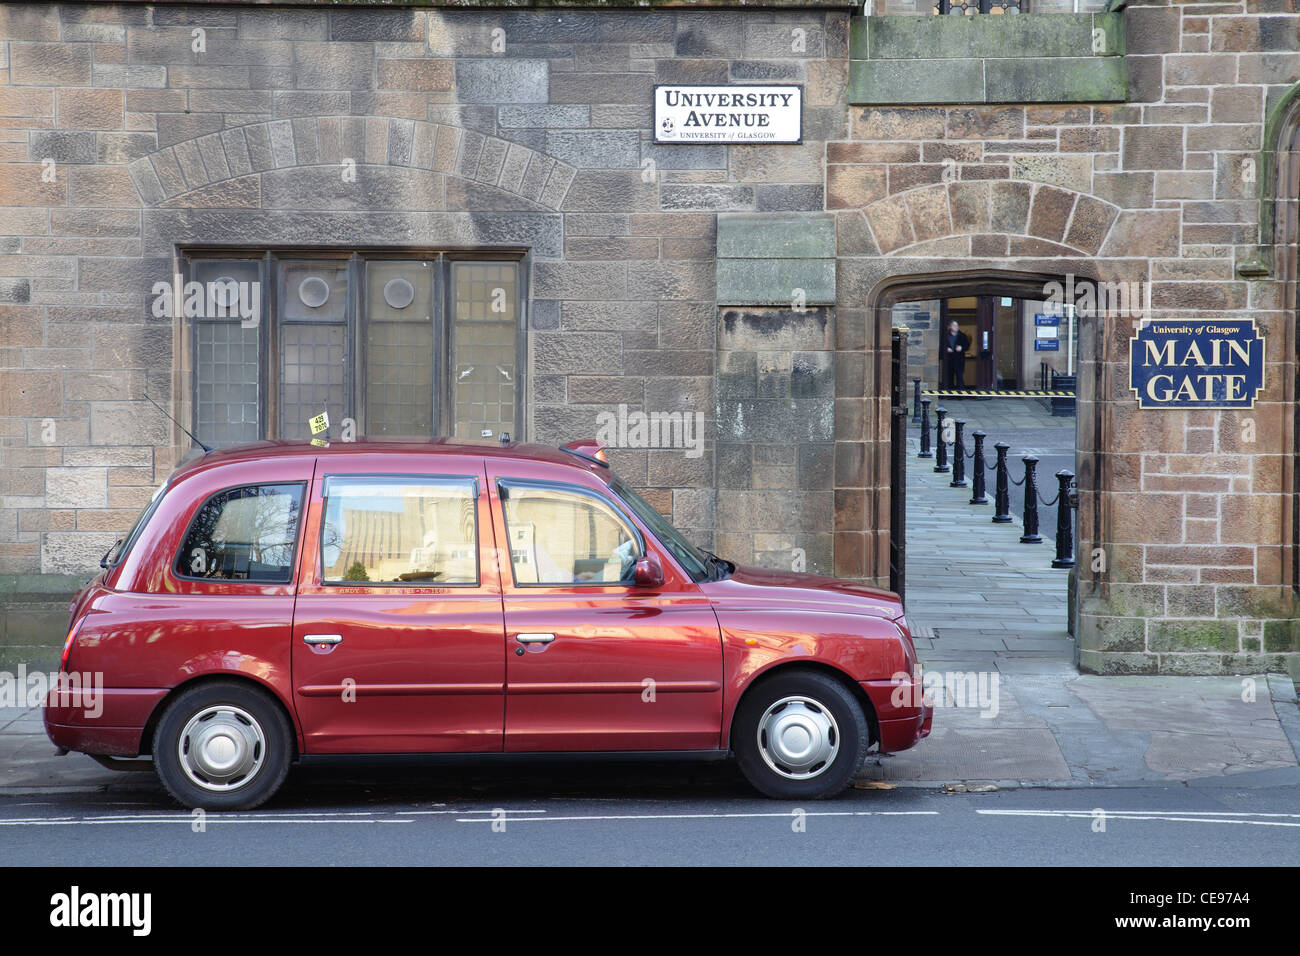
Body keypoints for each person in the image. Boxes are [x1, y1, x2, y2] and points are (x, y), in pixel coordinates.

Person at [942, 319, 970, 390]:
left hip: (959, 359)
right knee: (949, 377)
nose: (956, 327)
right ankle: (949, 393)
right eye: (954, 325)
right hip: (949, 359)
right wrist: (946, 349)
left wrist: (961, 348)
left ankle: (961, 394)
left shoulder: (962, 336)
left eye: (957, 325)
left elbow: (967, 346)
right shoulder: (945, 336)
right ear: (950, 326)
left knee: (959, 376)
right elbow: (941, 346)